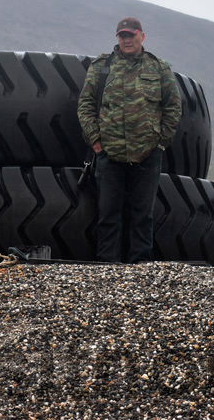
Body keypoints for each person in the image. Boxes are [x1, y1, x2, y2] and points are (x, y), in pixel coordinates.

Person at [77, 17, 182, 263]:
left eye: (131, 35)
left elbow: (173, 107)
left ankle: (140, 267)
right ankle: (107, 267)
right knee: (108, 215)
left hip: (147, 154)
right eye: (122, 36)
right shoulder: (102, 67)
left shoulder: (159, 68)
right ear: (117, 38)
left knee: (142, 215)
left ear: (141, 36)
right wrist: (95, 141)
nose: (126, 40)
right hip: (109, 154)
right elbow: (85, 105)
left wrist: (161, 142)